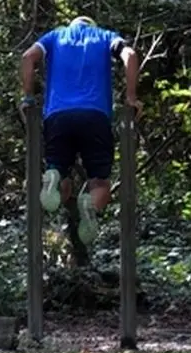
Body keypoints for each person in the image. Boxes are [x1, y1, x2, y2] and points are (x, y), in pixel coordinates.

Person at [20, 16, 141, 248]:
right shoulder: (105, 37)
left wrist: (27, 97)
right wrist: (131, 97)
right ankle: (91, 205)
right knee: (100, 184)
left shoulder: (54, 36)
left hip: (57, 116)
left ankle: (55, 176)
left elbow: (27, 57)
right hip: (95, 116)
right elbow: (131, 55)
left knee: (58, 172)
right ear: (91, 26)